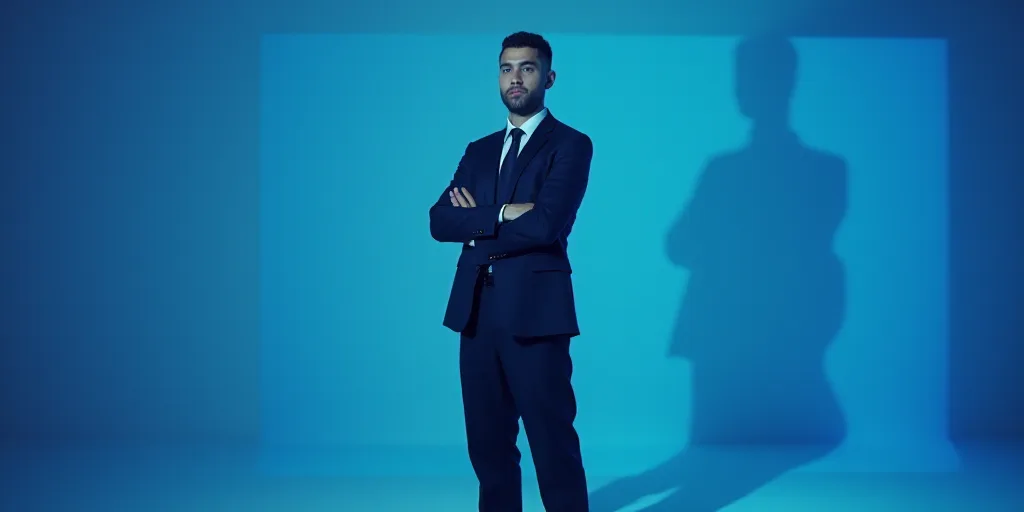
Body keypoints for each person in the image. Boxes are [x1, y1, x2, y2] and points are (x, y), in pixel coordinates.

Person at [428, 31, 593, 512]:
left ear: (549, 77)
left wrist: (476, 220)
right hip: (475, 312)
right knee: (487, 445)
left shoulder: (571, 144)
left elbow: (545, 224)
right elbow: (440, 221)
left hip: (536, 314)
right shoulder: (478, 150)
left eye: (527, 67)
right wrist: (501, 213)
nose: (515, 77)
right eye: (506, 68)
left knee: (552, 443)